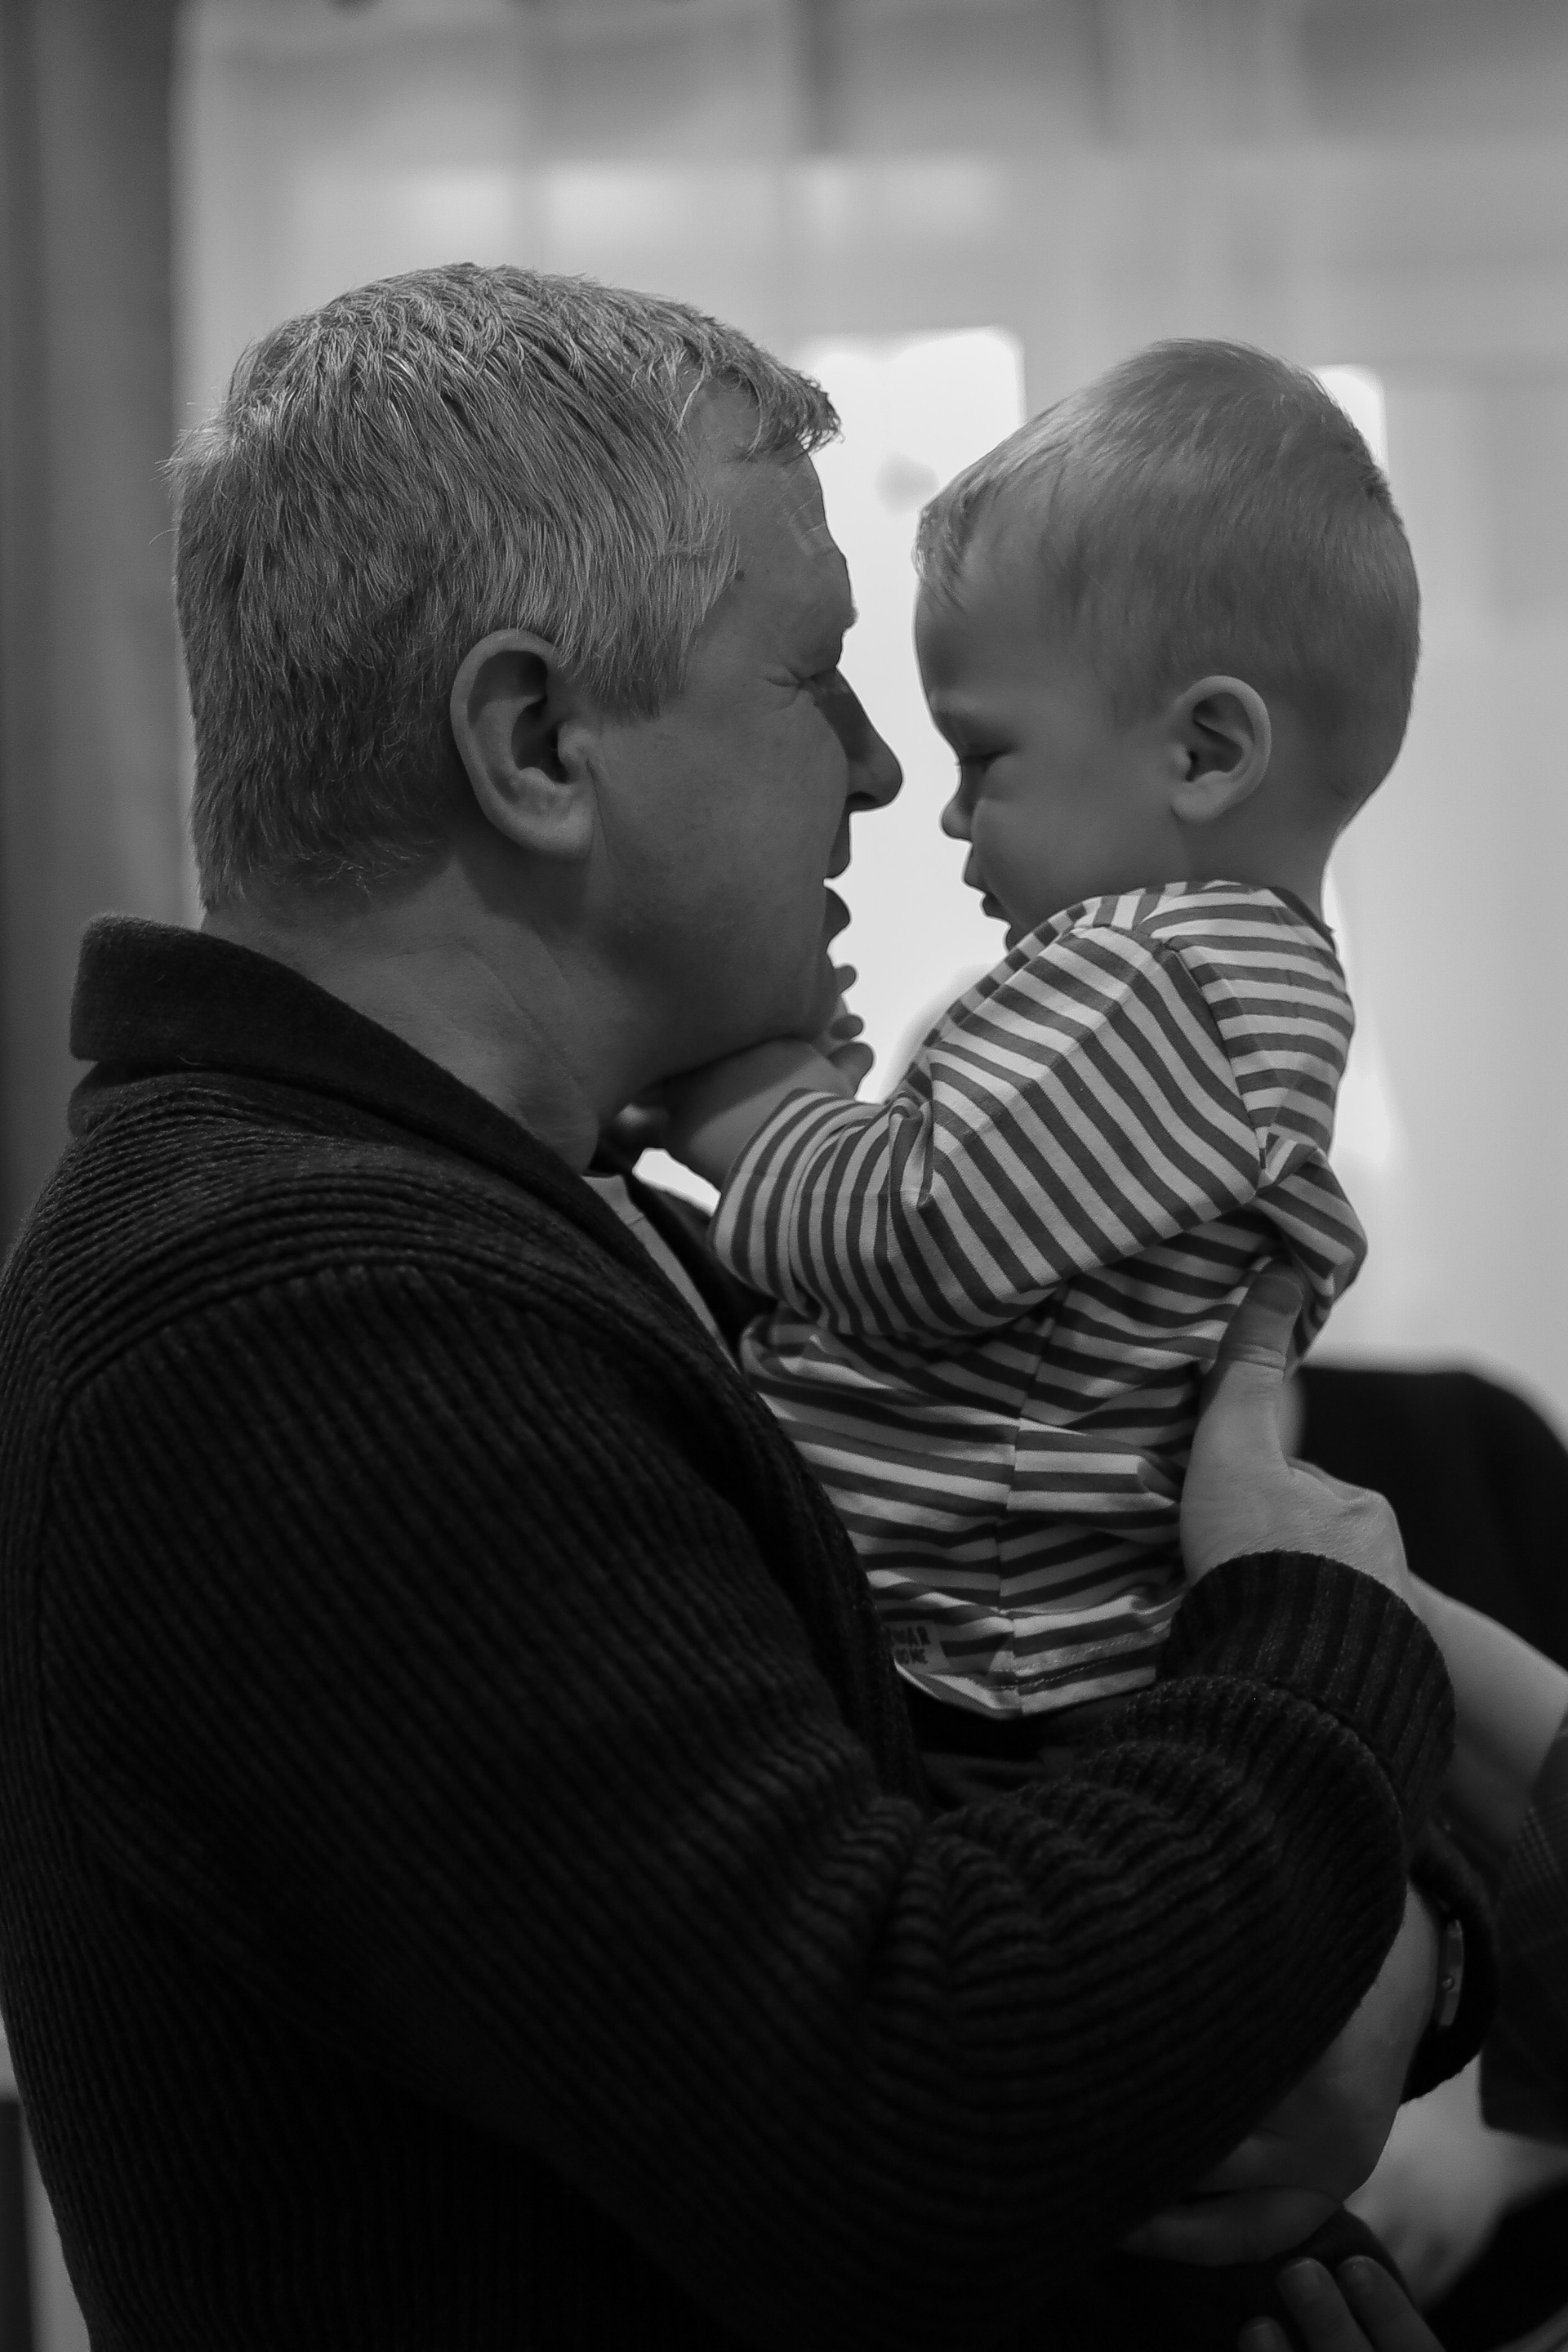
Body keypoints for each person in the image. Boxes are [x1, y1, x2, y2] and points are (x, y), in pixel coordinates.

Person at [0, 265, 1480, 2350]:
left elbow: (977, 1802)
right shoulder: (301, 1324)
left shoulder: (549, 1232)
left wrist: (1399, 1946)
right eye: (813, 680)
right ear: (538, 743)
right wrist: (1317, 1649)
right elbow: (910, 2107)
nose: (880, 776)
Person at [661, 341, 1410, 1740]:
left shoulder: (1166, 979)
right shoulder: (1214, 980)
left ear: (1204, 753)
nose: (945, 811)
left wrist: (745, 1107)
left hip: (977, 1670)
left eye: (984, 756)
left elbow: (919, 1233)